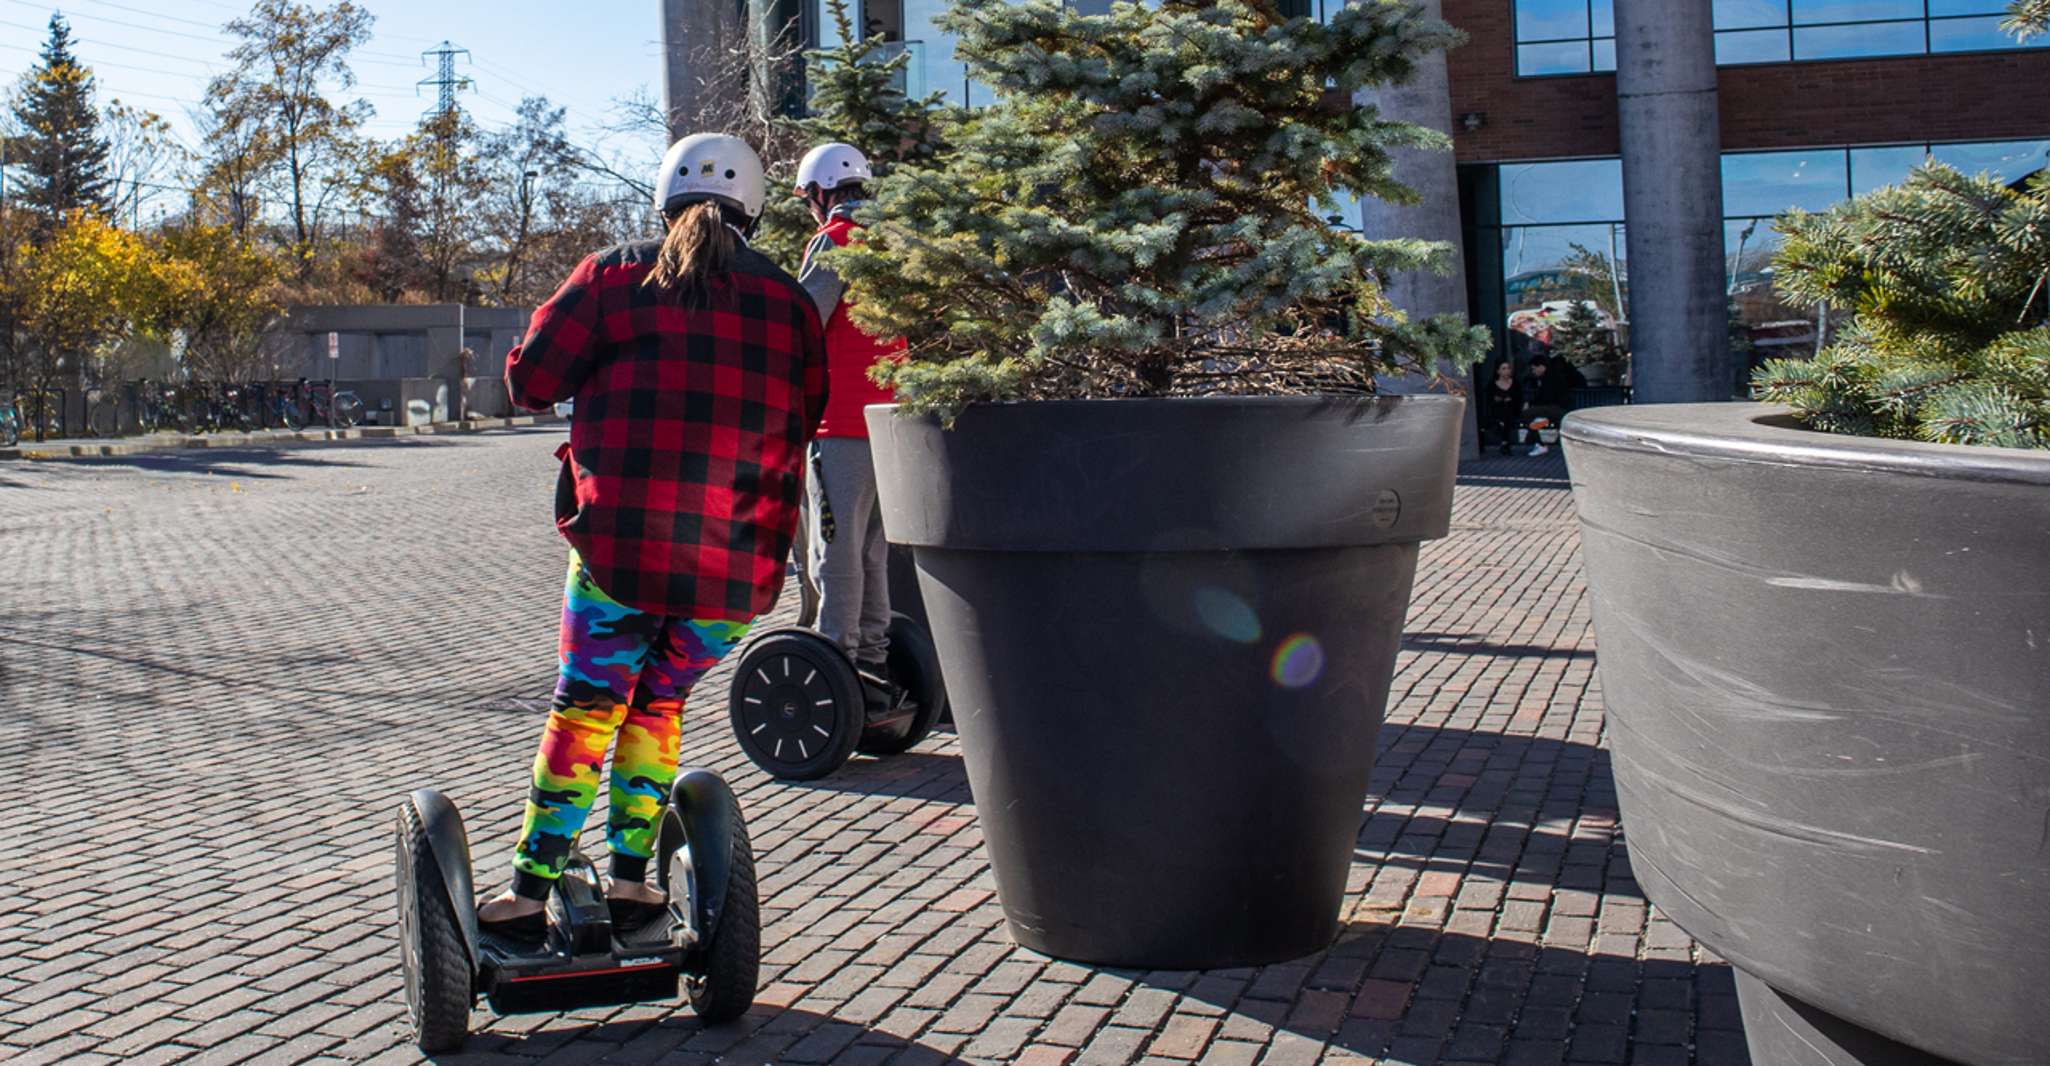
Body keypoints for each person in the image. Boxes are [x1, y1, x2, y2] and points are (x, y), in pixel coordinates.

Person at [482, 133, 829, 939]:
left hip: (622, 555)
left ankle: (531, 891)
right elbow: (805, 415)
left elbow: (529, 384)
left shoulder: (611, 274)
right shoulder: (787, 302)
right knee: (658, 703)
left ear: (664, 197)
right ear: (755, 208)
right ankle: (634, 883)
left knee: (588, 706)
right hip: (734, 571)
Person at [793, 141, 902, 714]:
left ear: (821, 192)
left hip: (841, 424)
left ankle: (839, 663)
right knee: (871, 550)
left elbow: (805, 320)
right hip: (893, 423)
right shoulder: (893, 243)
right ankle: (876, 660)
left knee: (831, 551)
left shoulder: (835, 241)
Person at [1484, 359, 1522, 455]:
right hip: (1497, 410)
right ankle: (1505, 442)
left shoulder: (1515, 383)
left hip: (1512, 410)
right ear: (1498, 371)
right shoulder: (1492, 385)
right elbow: (1489, 400)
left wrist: (1510, 399)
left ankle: (1504, 442)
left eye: (1508, 368)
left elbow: (1519, 398)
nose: (1507, 371)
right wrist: (1500, 400)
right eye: (1504, 368)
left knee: (1507, 412)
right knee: (1503, 413)